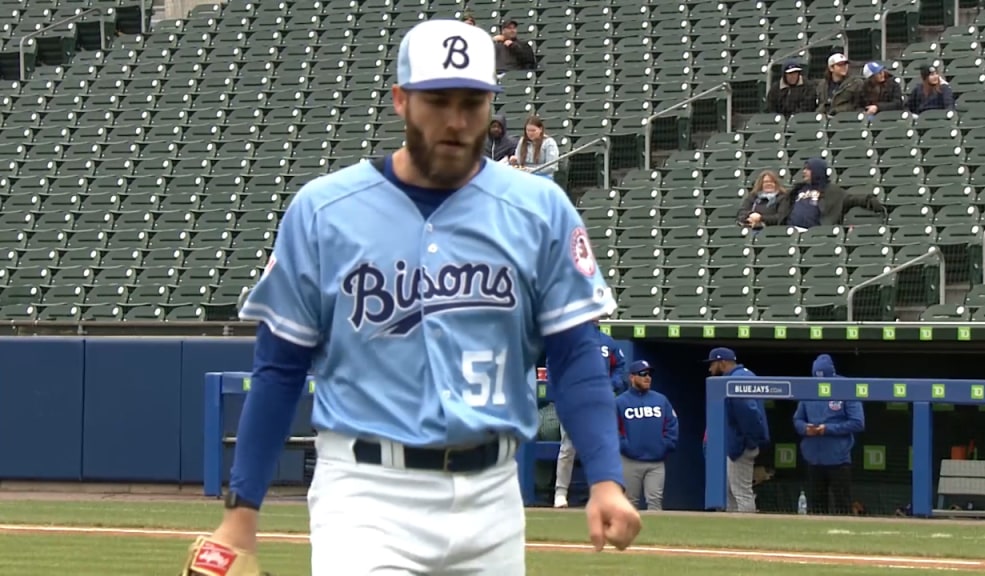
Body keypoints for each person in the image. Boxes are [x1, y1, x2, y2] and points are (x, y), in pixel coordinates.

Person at [178, 19, 641, 576]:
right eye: (437, 100)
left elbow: (576, 359)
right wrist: (241, 512)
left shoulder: (540, 210)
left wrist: (607, 480)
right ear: (400, 99)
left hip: (493, 497)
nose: (455, 119)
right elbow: (279, 369)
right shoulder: (325, 210)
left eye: (471, 102)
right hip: (366, 493)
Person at [553, 320, 628, 509]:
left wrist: (611, 384)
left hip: (599, 400)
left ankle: (601, 495)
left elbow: (620, 366)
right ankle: (560, 493)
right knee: (568, 447)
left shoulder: (607, 342)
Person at [793, 354, 865, 515]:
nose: (820, 383)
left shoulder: (846, 387)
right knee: (816, 507)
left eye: (824, 379)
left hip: (838, 459)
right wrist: (806, 428)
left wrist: (827, 428)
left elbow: (858, 422)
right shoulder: (808, 388)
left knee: (842, 506)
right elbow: (797, 419)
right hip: (813, 458)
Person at [705, 347, 769, 513]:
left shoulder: (738, 378)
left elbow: (749, 411)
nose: (710, 368)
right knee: (730, 493)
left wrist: (746, 441)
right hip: (738, 444)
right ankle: (733, 532)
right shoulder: (741, 376)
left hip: (740, 446)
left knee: (741, 493)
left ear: (722, 362)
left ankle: (747, 533)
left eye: (713, 363)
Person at [616, 360, 679, 511]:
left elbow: (672, 425)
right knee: (629, 504)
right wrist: (625, 447)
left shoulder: (660, 400)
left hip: (655, 462)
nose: (647, 378)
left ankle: (655, 534)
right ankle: (630, 535)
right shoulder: (620, 402)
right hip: (630, 461)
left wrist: (664, 446)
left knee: (655, 502)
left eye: (649, 374)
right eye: (642, 374)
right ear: (632, 378)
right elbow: (612, 430)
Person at [782, 157, 885, 231]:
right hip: (791, 231)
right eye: (804, 169)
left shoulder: (832, 191)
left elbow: (852, 199)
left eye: (808, 169)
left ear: (817, 171)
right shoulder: (797, 189)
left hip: (815, 233)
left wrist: (871, 201)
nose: (804, 172)